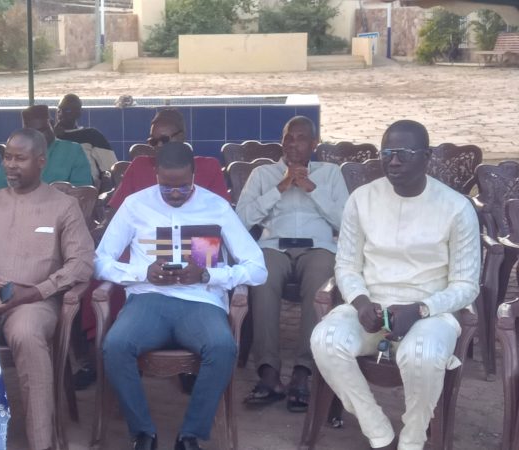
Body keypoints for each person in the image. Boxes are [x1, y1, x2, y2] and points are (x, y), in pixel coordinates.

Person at [310, 120, 480, 450]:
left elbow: (466, 284)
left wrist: (421, 309)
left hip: (429, 311)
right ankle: (377, 429)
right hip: (369, 306)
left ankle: (413, 438)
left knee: (423, 353)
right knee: (325, 340)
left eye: (404, 153)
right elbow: (346, 265)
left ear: (427, 156)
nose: (394, 161)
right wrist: (360, 303)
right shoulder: (362, 199)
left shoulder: (456, 207)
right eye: (387, 152)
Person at [95, 142, 268, 450]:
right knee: (116, 346)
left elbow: (257, 268)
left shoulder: (215, 206)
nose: (175, 194)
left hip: (201, 301)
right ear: (155, 174)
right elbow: (99, 261)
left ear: (194, 174)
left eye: (183, 187)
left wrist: (207, 274)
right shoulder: (135, 205)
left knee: (223, 346)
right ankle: (143, 433)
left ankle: (190, 435)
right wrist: (142, 273)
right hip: (148, 299)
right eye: (166, 187)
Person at [0, 128, 94, 450]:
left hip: (35, 302)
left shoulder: (63, 206)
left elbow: (82, 263)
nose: (11, 165)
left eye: (20, 158)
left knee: (26, 333)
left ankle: (42, 442)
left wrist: (39, 290)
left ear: (41, 162)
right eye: (8, 157)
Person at [235, 116, 348, 412]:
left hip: (318, 248)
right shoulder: (263, 174)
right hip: (275, 245)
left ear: (314, 144)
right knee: (263, 275)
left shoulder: (331, 174)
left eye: (300, 138)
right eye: (288, 137)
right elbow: (241, 219)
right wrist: (280, 188)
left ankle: (303, 371)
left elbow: (346, 222)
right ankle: (269, 373)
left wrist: (311, 188)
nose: (292, 143)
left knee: (322, 276)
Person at [108, 108, 229, 211]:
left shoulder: (209, 167)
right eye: (153, 141)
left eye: (164, 139)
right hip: (147, 235)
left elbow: (223, 211)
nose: (159, 145)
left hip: (195, 234)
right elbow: (116, 209)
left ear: (181, 137)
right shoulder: (139, 166)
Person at [0, 105, 93, 191]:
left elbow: (82, 189)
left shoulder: (73, 150)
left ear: (52, 125)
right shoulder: (16, 154)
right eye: (34, 132)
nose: (40, 136)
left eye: (43, 130)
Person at [54, 93, 117, 184]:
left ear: (78, 112)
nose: (61, 114)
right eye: (59, 110)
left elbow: (111, 167)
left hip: (86, 187)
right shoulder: (51, 138)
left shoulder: (91, 135)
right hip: (57, 186)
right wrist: (54, 136)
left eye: (67, 110)